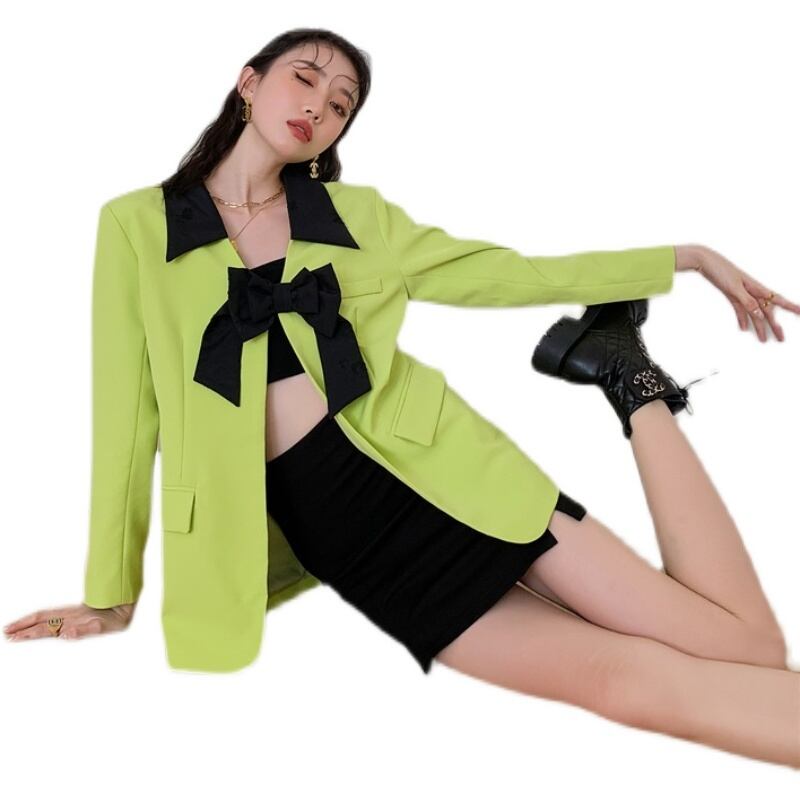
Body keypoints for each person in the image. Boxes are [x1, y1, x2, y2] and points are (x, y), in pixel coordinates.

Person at [5, 28, 800, 769]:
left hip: (452, 477)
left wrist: (684, 257)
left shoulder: (357, 219)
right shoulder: (135, 227)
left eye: (340, 104)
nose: (319, 107)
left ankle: (629, 381)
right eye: (304, 79)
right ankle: (623, 369)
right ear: (248, 84)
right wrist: (111, 595)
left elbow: (505, 273)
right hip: (349, 539)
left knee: (745, 653)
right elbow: (125, 419)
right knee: (627, 686)